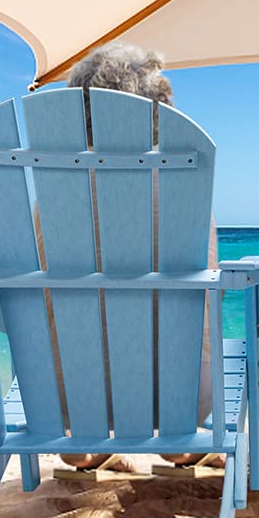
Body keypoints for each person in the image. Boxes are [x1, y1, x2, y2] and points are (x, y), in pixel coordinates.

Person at [56, 45, 219, 475]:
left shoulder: (48, 200)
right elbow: (206, 287)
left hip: (61, 395)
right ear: (158, 111)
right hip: (178, 395)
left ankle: (83, 444)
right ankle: (179, 446)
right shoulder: (187, 193)